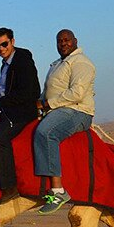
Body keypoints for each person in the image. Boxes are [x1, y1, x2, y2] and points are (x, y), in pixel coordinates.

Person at [34, 29, 96, 214]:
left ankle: (58, 190)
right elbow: (49, 90)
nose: (63, 43)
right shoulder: (57, 65)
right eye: (59, 41)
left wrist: (47, 104)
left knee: (46, 133)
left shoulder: (82, 63)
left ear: (75, 41)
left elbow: (76, 93)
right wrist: (37, 103)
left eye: (66, 40)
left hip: (76, 110)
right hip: (56, 109)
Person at [0, 27, 41, 201]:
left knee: (0, 139)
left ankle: (9, 186)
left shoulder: (22, 60)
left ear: (12, 41)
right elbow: (2, 90)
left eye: (4, 44)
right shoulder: (6, 64)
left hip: (21, 112)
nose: (1, 49)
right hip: (8, 109)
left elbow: (29, 92)